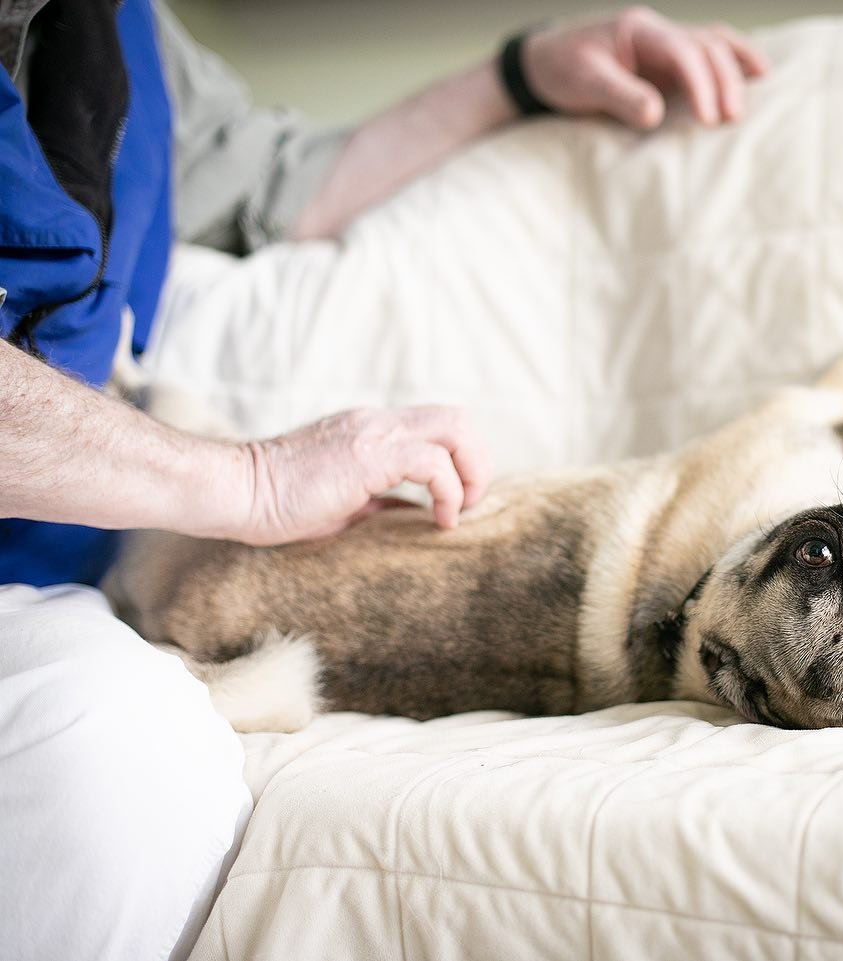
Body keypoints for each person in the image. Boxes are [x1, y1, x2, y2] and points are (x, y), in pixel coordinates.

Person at [0, 2, 768, 958]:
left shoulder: (127, 34)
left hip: (68, 576)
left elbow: (274, 181)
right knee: (104, 757)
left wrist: (520, 75)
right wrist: (256, 482)